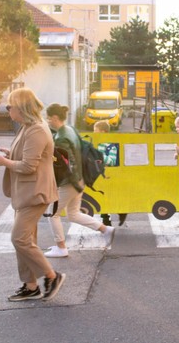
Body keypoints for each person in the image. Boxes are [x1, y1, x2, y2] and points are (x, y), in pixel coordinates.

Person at [0, 88, 65, 301]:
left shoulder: (37, 130)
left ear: (21, 109)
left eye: (10, 106)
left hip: (35, 192)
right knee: (26, 239)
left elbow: (28, 166)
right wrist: (9, 154)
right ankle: (30, 286)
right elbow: (28, 157)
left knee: (19, 238)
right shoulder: (27, 127)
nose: (7, 110)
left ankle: (52, 276)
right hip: (25, 192)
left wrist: (5, 162)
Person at [43, 104, 114, 258]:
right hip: (79, 179)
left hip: (70, 182)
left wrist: (72, 181)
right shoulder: (71, 129)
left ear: (55, 118)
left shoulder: (62, 137)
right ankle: (105, 229)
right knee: (73, 214)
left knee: (52, 213)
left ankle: (61, 247)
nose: (47, 121)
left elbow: (68, 163)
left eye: (48, 118)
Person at [94, 120, 127, 227]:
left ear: (103, 132)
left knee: (113, 197)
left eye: (96, 131)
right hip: (100, 175)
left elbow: (112, 161)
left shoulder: (111, 145)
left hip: (112, 175)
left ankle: (121, 212)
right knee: (102, 197)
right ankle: (105, 219)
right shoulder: (97, 144)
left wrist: (99, 155)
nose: (94, 133)